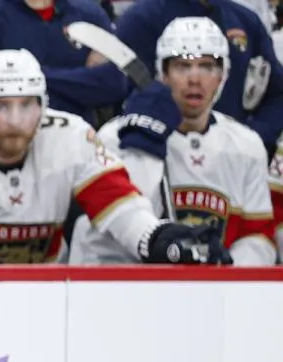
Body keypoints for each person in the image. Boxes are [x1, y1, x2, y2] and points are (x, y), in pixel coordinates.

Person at [0, 48, 232, 264]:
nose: (15, 121)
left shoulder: (69, 136)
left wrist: (156, 238)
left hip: (53, 295)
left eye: (26, 105)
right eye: (2, 106)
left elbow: (117, 204)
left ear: (43, 106)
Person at [70, 17, 276, 264]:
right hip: (130, 279)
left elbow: (257, 237)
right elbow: (121, 222)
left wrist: (224, 272)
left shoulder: (246, 145)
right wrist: (142, 146)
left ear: (223, 75)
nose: (194, 78)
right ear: (164, 74)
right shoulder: (117, 136)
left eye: (207, 66)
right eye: (182, 66)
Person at [115, 0, 283, 151]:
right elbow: (123, 93)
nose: (194, 78)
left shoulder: (245, 20)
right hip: (159, 154)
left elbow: (277, 91)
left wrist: (252, 138)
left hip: (232, 160)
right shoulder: (140, 20)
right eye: (182, 66)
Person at [0, 0, 128, 128]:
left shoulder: (90, 14)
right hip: (7, 136)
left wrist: (20, 77)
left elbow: (115, 84)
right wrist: (82, 78)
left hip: (77, 141)